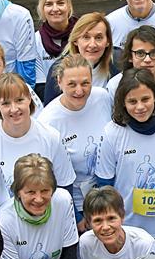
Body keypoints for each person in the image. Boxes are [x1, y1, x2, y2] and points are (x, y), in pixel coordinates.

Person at [95, 68, 155, 247]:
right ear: (122, 103)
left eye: (145, 99)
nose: (140, 107)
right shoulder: (112, 132)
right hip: (128, 226)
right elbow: (104, 184)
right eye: (132, 101)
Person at [0, 72, 76, 207]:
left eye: (19, 100)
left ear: (29, 99)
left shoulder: (51, 136)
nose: (14, 109)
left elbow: (65, 185)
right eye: (6, 103)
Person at [38, 54, 113, 223]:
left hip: (108, 197)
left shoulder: (103, 98)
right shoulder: (48, 120)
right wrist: (76, 215)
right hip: (76, 204)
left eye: (85, 83)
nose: (79, 91)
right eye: (72, 84)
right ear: (59, 81)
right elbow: (50, 176)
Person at [42, 12, 117, 103]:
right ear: (75, 41)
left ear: (108, 42)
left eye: (98, 38)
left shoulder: (117, 65)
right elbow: (50, 109)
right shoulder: (59, 69)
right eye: (86, 37)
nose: (92, 44)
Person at [32, 0, 75, 98]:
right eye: (49, 4)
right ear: (42, 9)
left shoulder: (83, 34)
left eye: (60, 3)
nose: (55, 9)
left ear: (69, 6)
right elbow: (40, 86)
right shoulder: (35, 41)